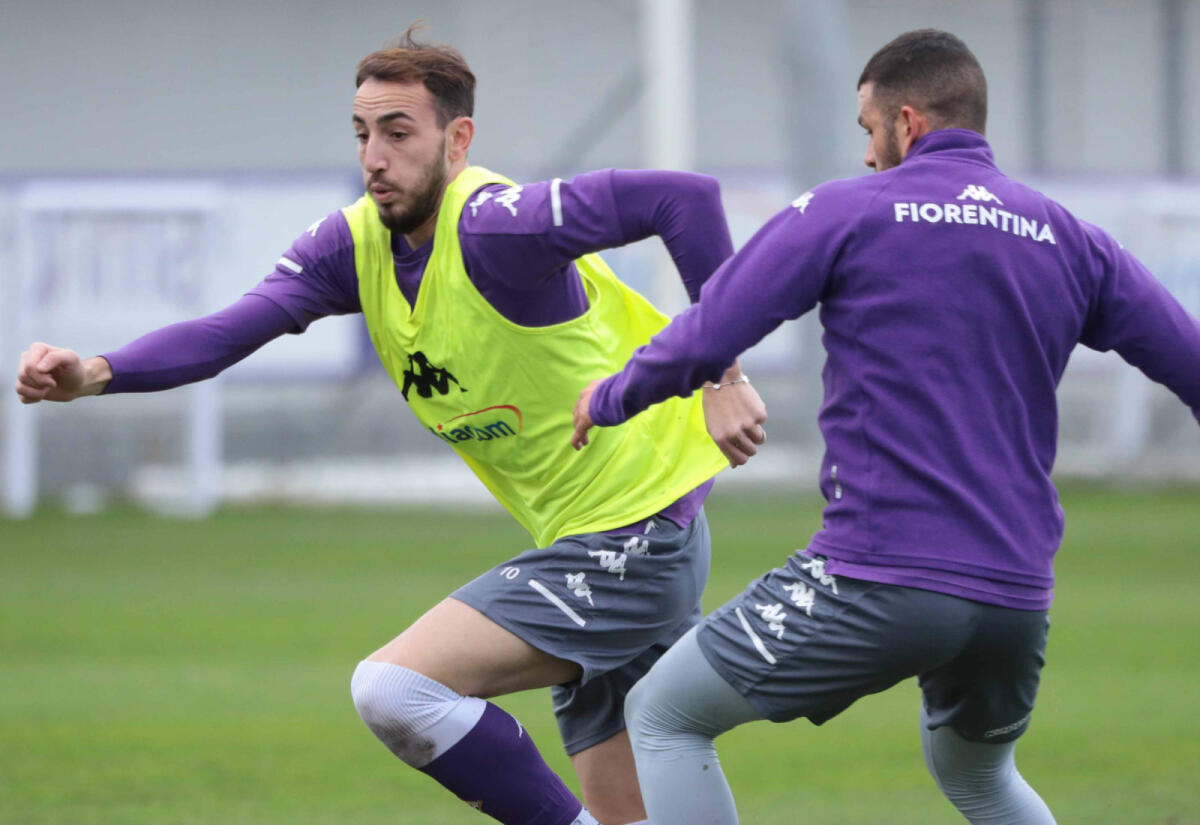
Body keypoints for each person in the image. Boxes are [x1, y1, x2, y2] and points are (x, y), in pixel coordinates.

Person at [13, 25, 768, 825]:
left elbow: (681, 197)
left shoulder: (497, 227)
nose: (374, 155)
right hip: (602, 533)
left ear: (457, 138)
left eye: (399, 132)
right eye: (363, 133)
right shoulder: (351, 244)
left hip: (637, 533)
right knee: (644, 804)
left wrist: (721, 370)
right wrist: (94, 371)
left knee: (396, 686)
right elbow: (232, 328)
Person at [571, 28, 1200, 825]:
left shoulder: (850, 210)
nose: (868, 154)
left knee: (663, 712)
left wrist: (612, 395)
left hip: (880, 576)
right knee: (979, 775)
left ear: (908, 123)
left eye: (869, 130)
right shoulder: (1072, 238)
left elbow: (712, 327)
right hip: (1015, 598)